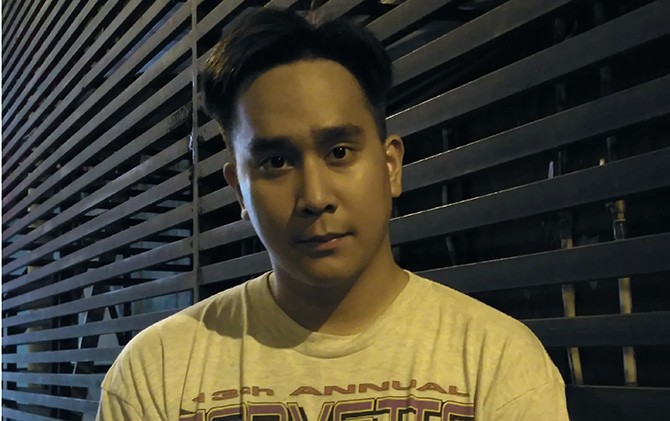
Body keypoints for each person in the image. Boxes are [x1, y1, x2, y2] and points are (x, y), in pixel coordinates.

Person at [97, 8, 569, 421]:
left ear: (390, 166)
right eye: (276, 162)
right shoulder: (157, 373)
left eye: (339, 151)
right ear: (239, 190)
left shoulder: (497, 362)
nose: (315, 196)